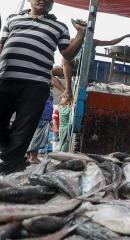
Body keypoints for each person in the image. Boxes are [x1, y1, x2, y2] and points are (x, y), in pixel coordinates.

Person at [0, 0, 85, 174]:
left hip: (36, 85)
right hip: (6, 78)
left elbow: (68, 54)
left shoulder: (59, 27)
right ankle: (12, 153)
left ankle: (11, 166)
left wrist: (81, 34)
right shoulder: (12, 19)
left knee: (25, 127)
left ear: (52, 3)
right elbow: (1, 47)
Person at [52, 33, 130, 99]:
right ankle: (65, 92)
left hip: (82, 64)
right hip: (70, 65)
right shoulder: (73, 40)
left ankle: (68, 89)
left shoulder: (93, 41)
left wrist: (125, 36)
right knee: (49, 72)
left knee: (65, 60)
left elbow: (111, 42)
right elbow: (66, 52)